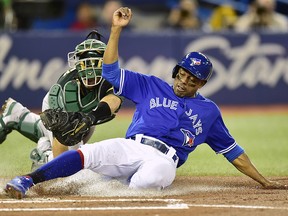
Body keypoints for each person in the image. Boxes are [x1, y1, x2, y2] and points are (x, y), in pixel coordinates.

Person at [5, 6, 288, 199]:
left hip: (165, 159)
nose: (185, 81)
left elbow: (233, 152)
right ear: (177, 70)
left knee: (148, 180)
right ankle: (27, 180)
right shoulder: (150, 85)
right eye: (184, 73)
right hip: (132, 145)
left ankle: (111, 191)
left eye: (193, 79)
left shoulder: (209, 112)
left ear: (202, 84)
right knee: (88, 154)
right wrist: (116, 30)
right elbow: (111, 72)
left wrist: (264, 181)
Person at [0, 30, 123, 170]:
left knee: (73, 151)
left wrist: (90, 118)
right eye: (84, 64)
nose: (88, 69)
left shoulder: (111, 77)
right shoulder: (67, 85)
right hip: (60, 109)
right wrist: (63, 127)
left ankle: (18, 115)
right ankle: (43, 156)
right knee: (70, 160)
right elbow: (60, 122)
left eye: (93, 63)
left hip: (86, 115)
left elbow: (113, 102)